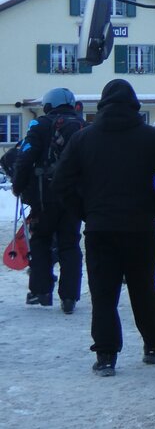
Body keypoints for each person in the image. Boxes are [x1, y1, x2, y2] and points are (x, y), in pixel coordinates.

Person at [53, 79, 155, 377]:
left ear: (102, 104)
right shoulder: (151, 138)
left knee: (103, 293)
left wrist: (85, 212)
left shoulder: (84, 139)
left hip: (100, 229)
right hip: (141, 228)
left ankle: (106, 355)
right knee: (144, 287)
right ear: (134, 104)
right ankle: (152, 343)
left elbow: (61, 183)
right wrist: (154, 207)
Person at [12, 87, 85, 312]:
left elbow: (25, 158)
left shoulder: (39, 125)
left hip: (44, 197)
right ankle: (70, 297)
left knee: (41, 241)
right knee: (70, 244)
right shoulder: (84, 127)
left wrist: (18, 186)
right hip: (74, 197)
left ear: (48, 104)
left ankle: (41, 292)